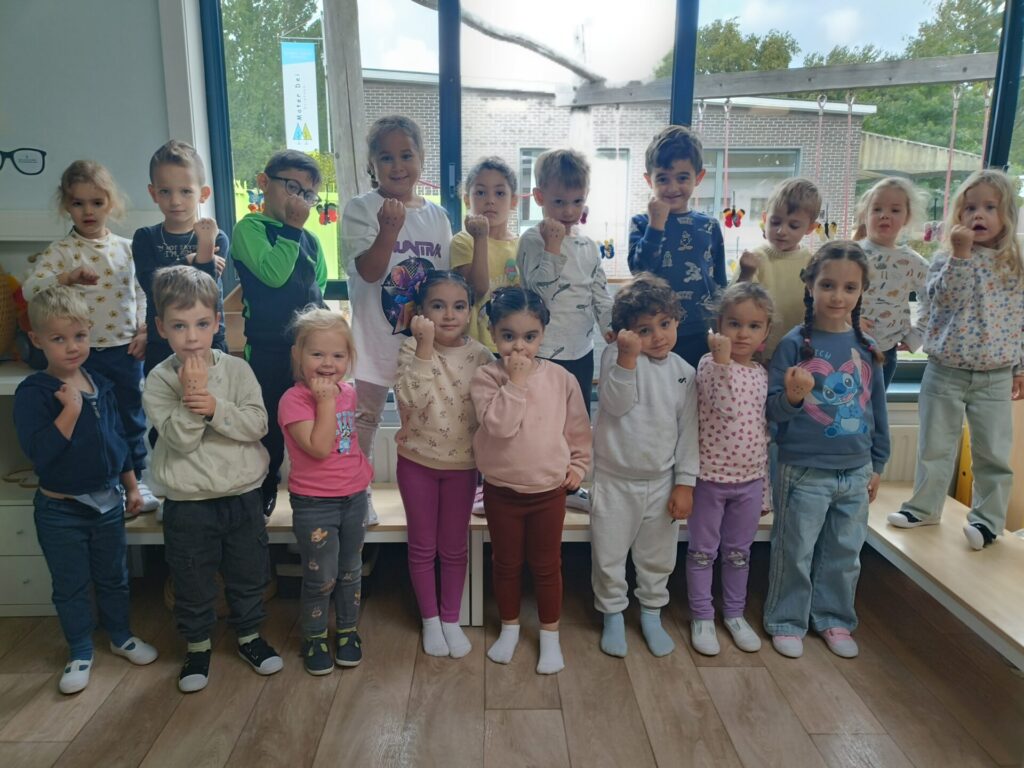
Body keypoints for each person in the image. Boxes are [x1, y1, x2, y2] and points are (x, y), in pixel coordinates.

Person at [143, 266, 281, 692]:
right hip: (188, 503)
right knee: (192, 578)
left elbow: (258, 425)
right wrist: (192, 397)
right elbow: (182, 440)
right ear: (161, 327)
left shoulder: (238, 371)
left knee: (248, 572)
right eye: (179, 326)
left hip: (242, 495)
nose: (191, 337)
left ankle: (249, 637)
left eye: (202, 324)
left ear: (217, 322)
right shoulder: (159, 380)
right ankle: (197, 647)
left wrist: (215, 406)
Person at [14, 286, 157, 695]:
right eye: (58, 339)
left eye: (79, 336)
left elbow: (118, 442)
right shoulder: (34, 392)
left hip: (108, 504)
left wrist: (132, 487)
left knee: (114, 577)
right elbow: (40, 453)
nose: (72, 346)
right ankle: (79, 649)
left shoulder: (102, 384)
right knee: (71, 585)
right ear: (37, 340)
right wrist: (71, 411)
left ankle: (120, 636)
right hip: (61, 511)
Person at [765, 241, 890, 660]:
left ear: (861, 291)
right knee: (794, 550)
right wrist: (794, 397)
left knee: (845, 553)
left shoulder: (867, 347)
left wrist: (878, 462)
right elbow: (773, 412)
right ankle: (786, 620)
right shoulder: (792, 344)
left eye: (850, 288)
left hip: (856, 471)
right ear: (810, 285)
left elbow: (877, 408)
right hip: (803, 469)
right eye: (828, 285)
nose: (838, 296)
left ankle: (834, 618)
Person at [888, 169, 1024, 550]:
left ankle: (987, 522)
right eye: (969, 208)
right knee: (935, 446)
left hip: (995, 375)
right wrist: (961, 256)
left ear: (1007, 215)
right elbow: (946, 300)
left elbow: (1021, 321)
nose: (978, 214)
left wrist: (1020, 368)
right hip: (945, 370)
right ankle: (924, 508)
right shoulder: (946, 259)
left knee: (993, 453)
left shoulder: (1015, 264)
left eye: (989, 207)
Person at [23, 160, 157, 513]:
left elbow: (142, 294)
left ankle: (136, 480)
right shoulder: (61, 252)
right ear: (66, 205)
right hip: (81, 354)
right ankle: (106, 481)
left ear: (110, 204)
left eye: (97, 202)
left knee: (129, 415)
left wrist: (144, 330)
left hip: (124, 349)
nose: (88, 211)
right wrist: (66, 278)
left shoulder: (127, 248)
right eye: (78, 203)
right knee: (92, 419)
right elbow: (30, 290)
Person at [470, 287, 591, 674]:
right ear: (493, 333)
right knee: (505, 564)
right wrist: (516, 383)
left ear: (542, 335)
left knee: (546, 565)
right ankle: (509, 628)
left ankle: (550, 636)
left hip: (548, 492)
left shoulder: (561, 378)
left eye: (529, 336)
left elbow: (578, 429)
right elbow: (500, 427)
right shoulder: (486, 378)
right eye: (508, 336)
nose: (519, 347)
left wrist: (578, 467)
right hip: (501, 492)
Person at [342, 115, 451, 525]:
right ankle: (358, 496)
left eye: (406, 155)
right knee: (363, 423)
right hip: (372, 341)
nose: (397, 165)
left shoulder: (438, 217)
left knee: (421, 425)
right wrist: (388, 230)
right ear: (372, 164)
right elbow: (369, 272)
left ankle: (422, 501)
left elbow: (442, 283)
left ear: (421, 158)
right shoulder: (361, 208)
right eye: (386, 157)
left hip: (420, 346)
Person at [589, 273, 697, 659]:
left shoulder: (685, 371)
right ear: (626, 334)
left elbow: (689, 432)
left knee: (657, 557)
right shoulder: (616, 357)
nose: (658, 336)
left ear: (677, 319)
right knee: (609, 554)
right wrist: (627, 358)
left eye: (665, 324)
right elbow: (615, 405)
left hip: (662, 481)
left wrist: (685, 483)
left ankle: (652, 613)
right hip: (614, 479)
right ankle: (613, 614)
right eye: (645, 330)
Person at [394, 271, 493, 658]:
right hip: (416, 463)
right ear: (421, 312)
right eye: (438, 306)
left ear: (470, 312)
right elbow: (410, 400)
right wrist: (424, 347)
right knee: (422, 547)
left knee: (453, 547)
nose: (449, 315)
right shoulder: (411, 349)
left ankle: (450, 619)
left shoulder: (481, 356)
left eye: (458, 306)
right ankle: (430, 621)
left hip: (463, 467)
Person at [231, 149, 327, 516]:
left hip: (306, 353)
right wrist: (292, 230)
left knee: (311, 421)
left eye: (307, 194)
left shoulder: (310, 240)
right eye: (291, 187)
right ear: (264, 183)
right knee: (267, 424)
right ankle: (264, 487)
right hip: (268, 349)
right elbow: (274, 275)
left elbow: (316, 285)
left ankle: (314, 491)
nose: (298, 199)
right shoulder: (250, 229)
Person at [278, 307, 374, 675]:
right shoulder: (294, 400)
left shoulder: (348, 392)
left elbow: (346, 442)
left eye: (338, 355)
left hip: (353, 499)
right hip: (315, 504)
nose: (328, 364)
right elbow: (319, 448)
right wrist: (326, 402)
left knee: (351, 571)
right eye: (317, 354)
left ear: (349, 358)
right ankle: (315, 636)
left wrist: (362, 472)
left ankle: (348, 631)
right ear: (297, 356)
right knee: (321, 577)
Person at [688, 283, 774, 657]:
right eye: (734, 324)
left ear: (765, 332)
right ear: (719, 325)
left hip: (750, 482)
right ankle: (702, 615)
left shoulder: (761, 374)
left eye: (754, 326)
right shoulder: (709, 365)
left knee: (739, 553)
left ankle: (735, 614)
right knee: (702, 552)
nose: (742, 333)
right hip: (710, 479)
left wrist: (764, 490)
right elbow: (723, 406)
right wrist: (721, 361)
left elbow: (763, 433)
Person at [517, 148, 613, 416]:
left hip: (581, 351)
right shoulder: (532, 240)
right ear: (539, 197)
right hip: (542, 351)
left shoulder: (588, 245)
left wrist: (610, 326)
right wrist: (552, 247)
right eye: (559, 201)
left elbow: (600, 294)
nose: (569, 211)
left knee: (577, 418)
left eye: (577, 201)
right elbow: (539, 297)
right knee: (542, 419)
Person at [628, 125, 726, 368]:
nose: (672, 188)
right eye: (663, 179)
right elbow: (639, 271)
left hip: (698, 330)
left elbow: (720, 282)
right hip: (654, 331)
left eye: (682, 178)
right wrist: (655, 226)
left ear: (698, 177)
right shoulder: (642, 222)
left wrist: (722, 327)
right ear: (649, 180)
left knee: (695, 388)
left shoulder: (710, 226)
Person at [133, 139, 228, 376]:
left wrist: (203, 249)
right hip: (162, 340)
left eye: (185, 191)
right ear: (153, 193)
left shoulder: (216, 236)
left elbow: (206, 288)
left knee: (211, 397)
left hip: (209, 340)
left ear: (203, 194)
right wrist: (190, 260)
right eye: (165, 191)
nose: (175, 201)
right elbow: (151, 284)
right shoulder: (145, 237)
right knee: (162, 397)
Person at [853, 177, 930, 389]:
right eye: (877, 209)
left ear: (907, 217)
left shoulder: (912, 261)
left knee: (876, 405)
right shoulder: (850, 253)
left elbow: (934, 299)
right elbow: (826, 293)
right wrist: (848, 319)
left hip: (886, 351)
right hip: (846, 343)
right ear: (865, 215)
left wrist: (916, 336)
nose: (885, 215)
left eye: (895, 210)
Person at [735, 178, 821, 361]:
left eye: (793, 225)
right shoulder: (755, 259)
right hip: (758, 352)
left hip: (799, 351)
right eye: (775, 222)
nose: (782, 231)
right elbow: (735, 303)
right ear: (764, 219)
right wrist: (746, 273)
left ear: (810, 228)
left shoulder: (813, 262)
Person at [450, 156, 521, 352]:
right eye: (480, 192)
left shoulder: (521, 245)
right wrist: (480, 238)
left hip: (514, 346)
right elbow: (477, 290)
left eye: (500, 193)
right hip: (475, 349)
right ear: (467, 199)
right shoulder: (463, 242)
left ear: (513, 201)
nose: (490, 200)